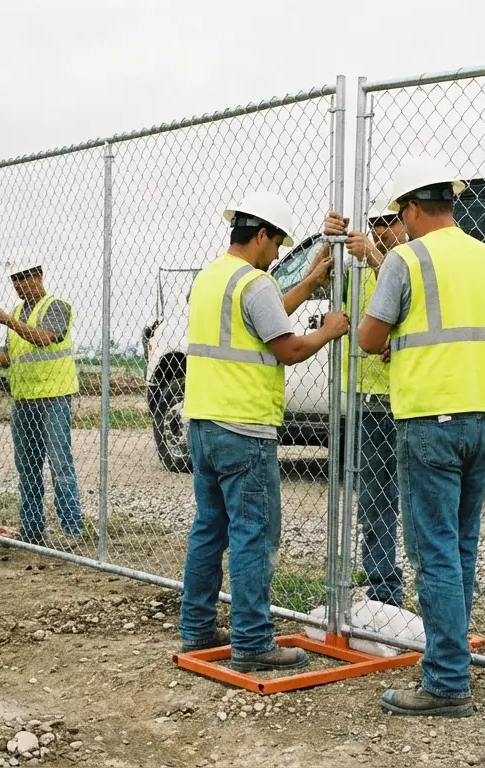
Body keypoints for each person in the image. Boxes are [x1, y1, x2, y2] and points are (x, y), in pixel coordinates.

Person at [356, 158, 485, 717]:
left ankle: (446, 682)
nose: (399, 224)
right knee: (461, 546)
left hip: (429, 419)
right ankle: (453, 658)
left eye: (401, 215)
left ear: (414, 209)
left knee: (434, 551)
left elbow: (371, 337)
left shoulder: (406, 259)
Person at [179, 191, 347, 672]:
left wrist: (313, 279)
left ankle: (196, 629)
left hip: (206, 423)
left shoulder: (213, 277)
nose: (277, 255)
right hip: (245, 428)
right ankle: (252, 642)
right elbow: (288, 349)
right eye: (277, 245)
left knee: (210, 528)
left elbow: (265, 318)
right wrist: (328, 330)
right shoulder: (254, 283)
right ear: (260, 235)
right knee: (254, 533)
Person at [323, 199, 408, 608]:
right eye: (375, 224)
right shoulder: (356, 268)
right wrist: (332, 241)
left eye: (389, 222)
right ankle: (382, 589)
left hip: (404, 397)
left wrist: (373, 255)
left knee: (407, 498)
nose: (381, 231)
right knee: (375, 499)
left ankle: (403, 588)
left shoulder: (410, 262)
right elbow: (318, 279)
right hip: (366, 399)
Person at [0, 264, 82, 544]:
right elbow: (13, 356)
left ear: (38, 277)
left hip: (53, 398)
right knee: (28, 467)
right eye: (14, 281)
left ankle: (71, 528)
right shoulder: (17, 312)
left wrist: (8, 321)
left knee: (60, 465)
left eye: (23, 279)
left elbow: (45, 338)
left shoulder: (57, 306)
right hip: (24, 401)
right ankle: (32, 528)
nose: (18, 286)